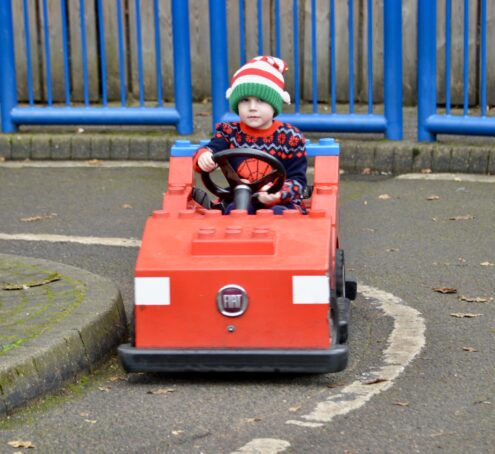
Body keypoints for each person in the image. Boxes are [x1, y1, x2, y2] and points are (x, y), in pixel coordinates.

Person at [193, 56, 307, 214]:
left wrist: (279, 193)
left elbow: (298, 181)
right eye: (245, 100)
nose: (252, 107)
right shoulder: (229, 132)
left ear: (274, 105)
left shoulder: (290, 137)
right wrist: (204, 156)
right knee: (234, 211)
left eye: (261, 100)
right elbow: (212, 148)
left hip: (280, 201)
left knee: (281, 215)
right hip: (239, 197)